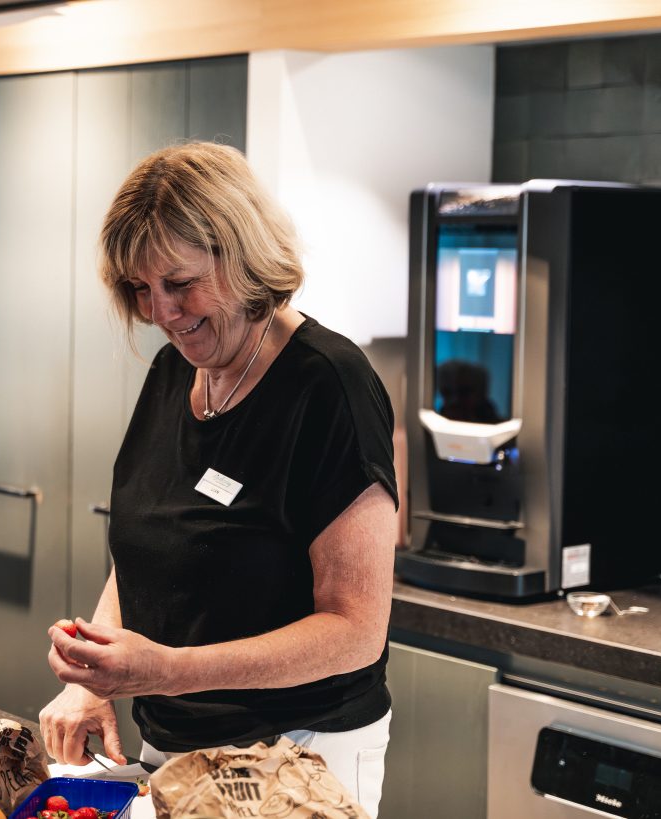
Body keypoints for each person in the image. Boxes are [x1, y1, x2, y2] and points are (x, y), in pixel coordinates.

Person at [39, 142, 399, 815]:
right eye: (141, 290)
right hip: (173, 744)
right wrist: (95, 675)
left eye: (179, 283)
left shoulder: (328, 386)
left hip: (298, 756)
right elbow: (153, 545)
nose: (160, 312)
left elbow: (355, 629)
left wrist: (168, 669)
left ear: (242, 257)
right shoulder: (178, 369)